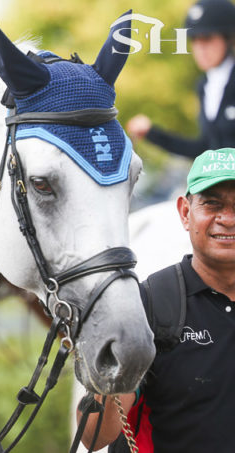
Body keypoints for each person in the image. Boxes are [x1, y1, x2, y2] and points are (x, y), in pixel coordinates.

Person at [76, 147, 235, 452]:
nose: (227, 218)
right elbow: (93, 437)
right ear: (186, 213)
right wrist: (115, 369)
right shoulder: (148, 304)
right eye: (212, 204)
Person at [127, 0, 235, 158]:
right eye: (195, 40)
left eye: (207, 39)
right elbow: (205, 149)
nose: (200, 49)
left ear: (227, 38)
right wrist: (152, 134)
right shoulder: (204, 86)